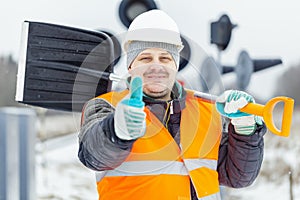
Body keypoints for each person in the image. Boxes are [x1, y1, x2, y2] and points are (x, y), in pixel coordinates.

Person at [78, 10, 266, 200]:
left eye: (165, 58)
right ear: (130, 66)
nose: (156, 66)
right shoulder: (106, 106)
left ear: (175, 65)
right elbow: (93, 156)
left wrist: (245, 133)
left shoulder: (206, 111)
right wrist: (115, 132)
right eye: (145, 58)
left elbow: (238, 177)